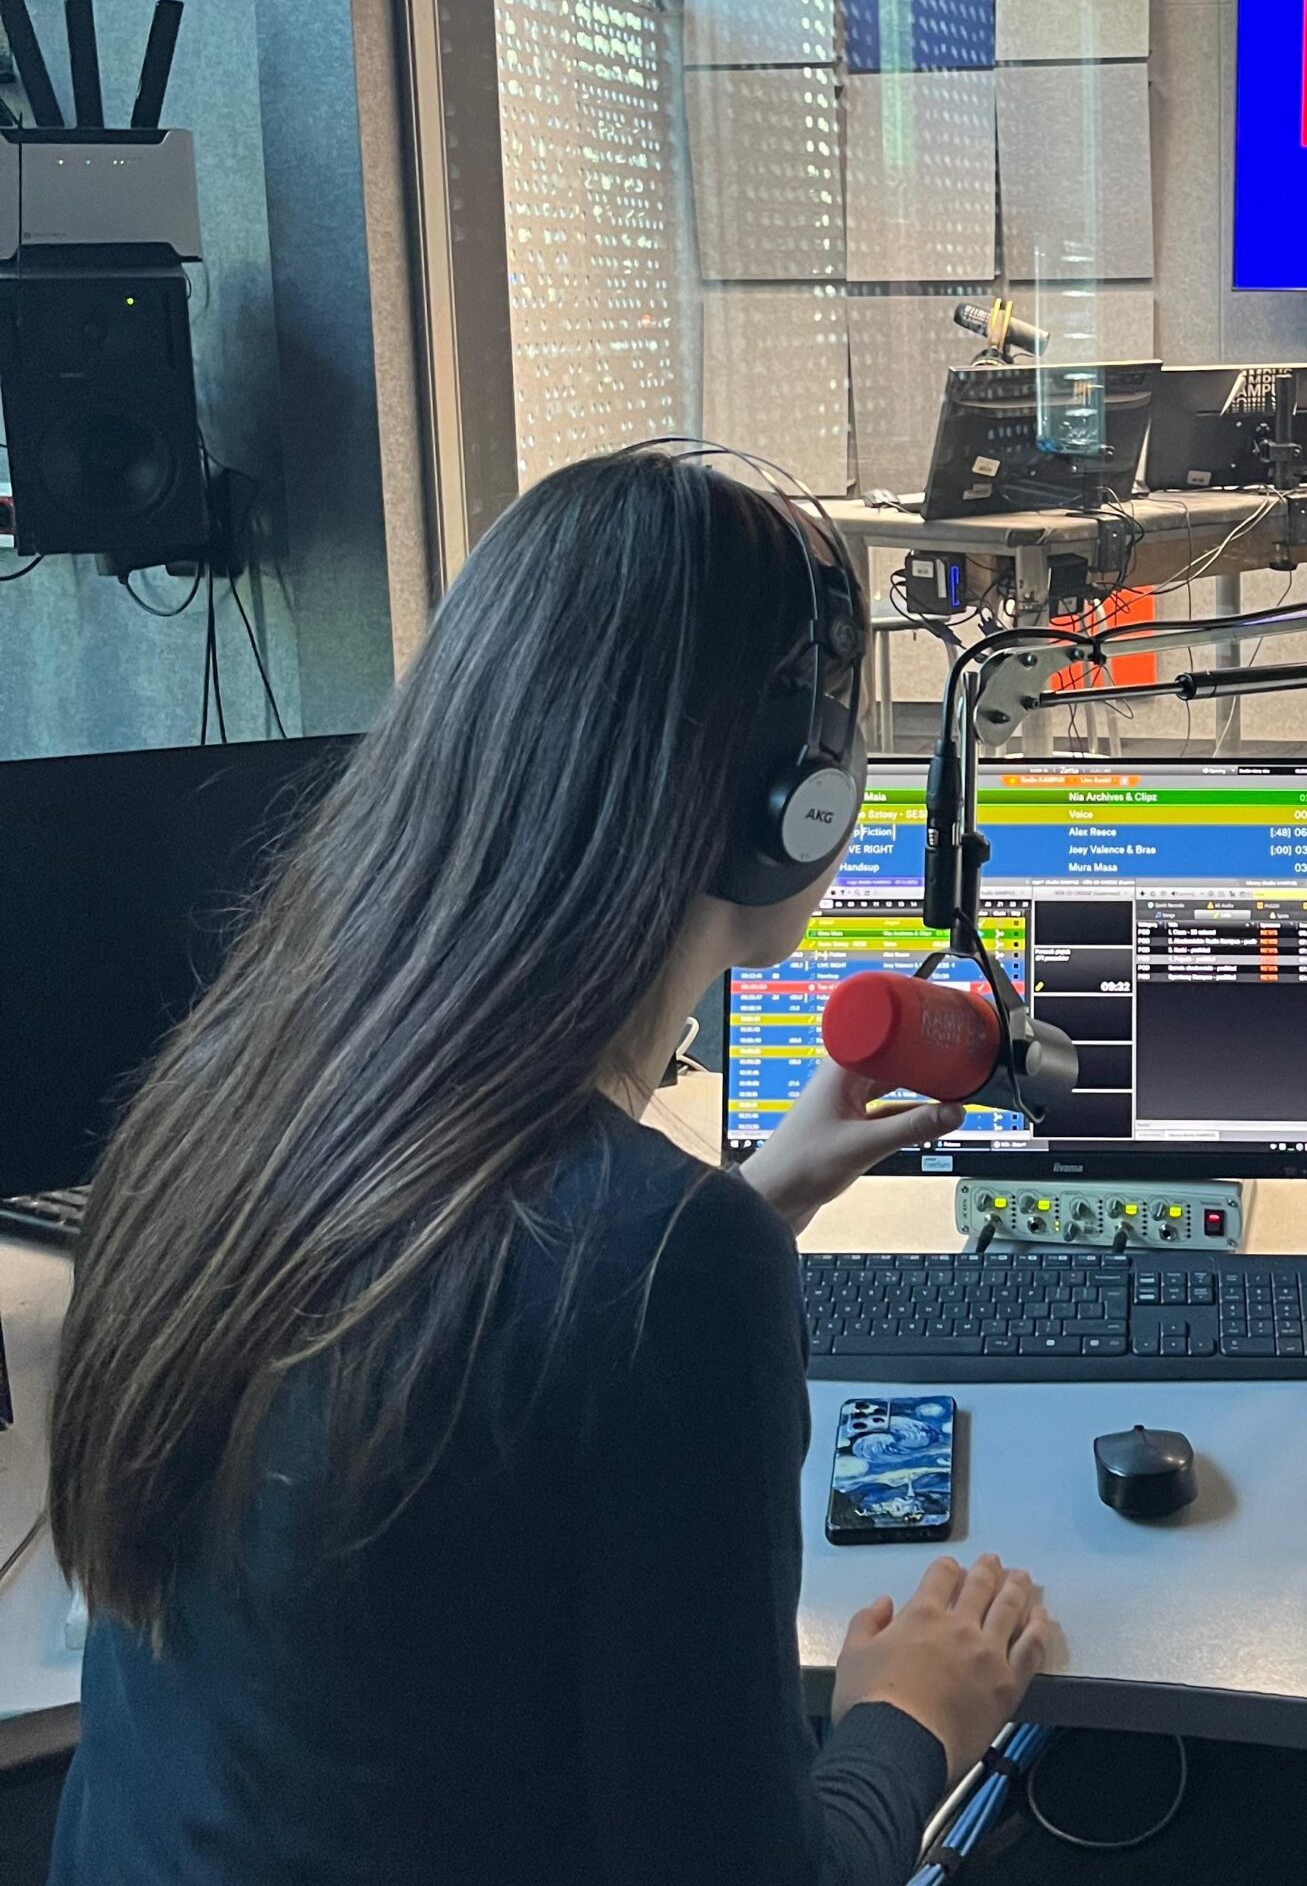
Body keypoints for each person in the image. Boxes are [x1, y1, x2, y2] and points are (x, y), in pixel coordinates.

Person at [44, 447, 1056, 1886]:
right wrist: (913, 1714)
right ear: (794, 806)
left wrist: (755, 1196)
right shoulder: (663, 1268)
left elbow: (469, 1381)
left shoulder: (226, 1096)